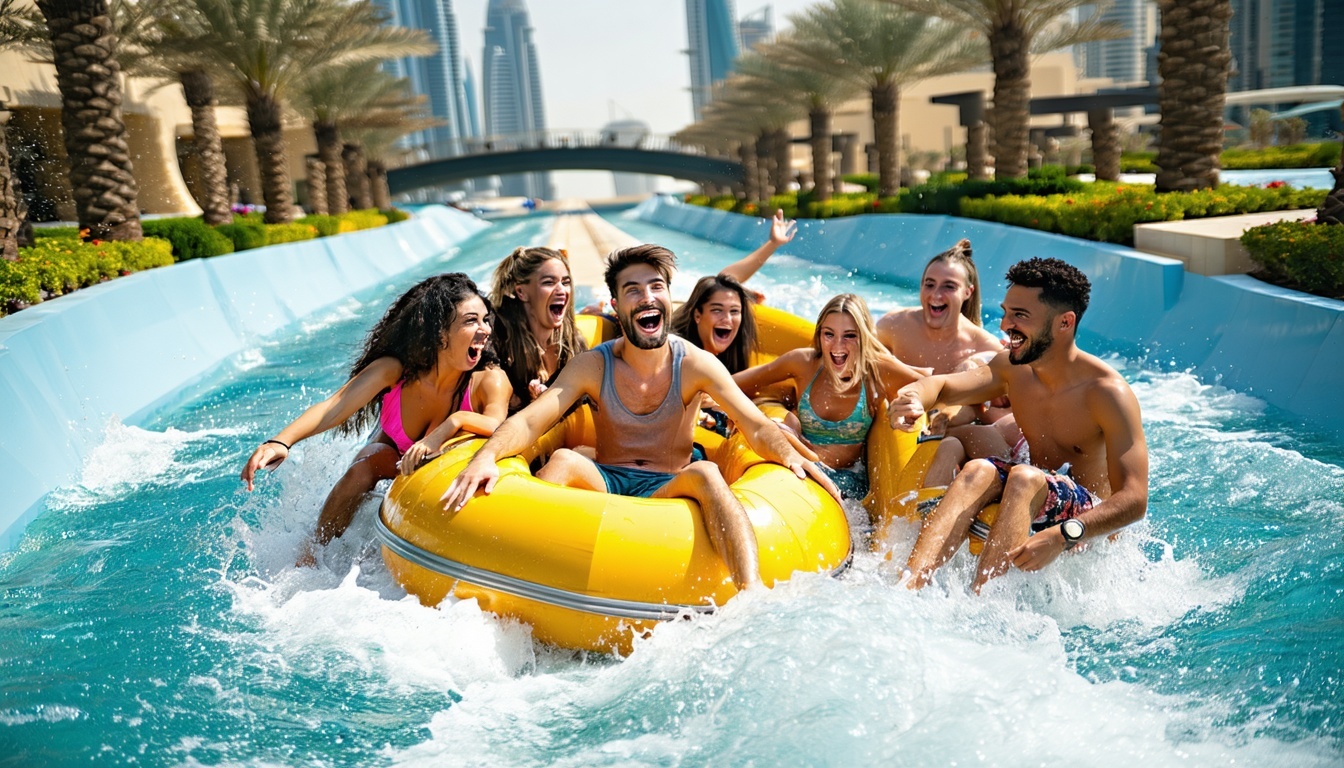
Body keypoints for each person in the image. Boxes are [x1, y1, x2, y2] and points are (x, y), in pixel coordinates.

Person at [441, 244, 840, 590]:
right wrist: (485, 456)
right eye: (633, 290)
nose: (647, 297)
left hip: (670, 483)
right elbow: (530, 422)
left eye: (656, 287)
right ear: (616, 306)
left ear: (669, 299)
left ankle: (750, 595)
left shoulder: (695, 364)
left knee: (706, 474)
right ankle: (529, 586)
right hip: (608, 479)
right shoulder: (594, 365)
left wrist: (791, 457)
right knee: (563, 460)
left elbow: (753, 424)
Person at [887, 258, 1148, 592]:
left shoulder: (1107, 393)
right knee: (977, 470)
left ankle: (985, 608)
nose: (1005, 325)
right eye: (1006, 312)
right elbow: (945, 387)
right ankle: (907, 589)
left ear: (1064, 323)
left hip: (1083, 522)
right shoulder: (1014, 368)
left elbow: (1135, 499)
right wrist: (913, 397)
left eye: (1019, 316)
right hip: (1032, 489)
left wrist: (1063, 534)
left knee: (1024, 477)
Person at [240, 273, 511, 564]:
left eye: (486, 320)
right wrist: (281, 441)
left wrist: (454, 422)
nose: (484, 330)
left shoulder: (489, 381)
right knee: (366, 462)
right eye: (471, 321)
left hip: (444, 474)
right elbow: (334, 406)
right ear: (440, 333)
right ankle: (312, 553)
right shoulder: (396, 373)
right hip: (395, 460)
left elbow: (500, 427)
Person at [733, 294, 924, 500]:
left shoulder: (877, 371)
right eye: (829, 334)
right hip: (797, 464)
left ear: (863, 337)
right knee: (778, 429)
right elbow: (731, 383)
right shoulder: (804, 363)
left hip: (845, 482)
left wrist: (912, 406)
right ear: (819, 335)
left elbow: (934, 385)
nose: (838, 346)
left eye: (849, 335)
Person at [667, 209, 797, 432]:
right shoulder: (676, 349)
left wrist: (773, 244)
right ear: (698, 315)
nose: (727, 319)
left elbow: (726, 280)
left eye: (734, 311)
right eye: (717, 310)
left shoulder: (735, 349)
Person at [488, 246, 586, 413]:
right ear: (521, 292)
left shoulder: (572, 341)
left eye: (566, 282)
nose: (561, 290)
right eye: (548, 282)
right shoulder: (498, 341)